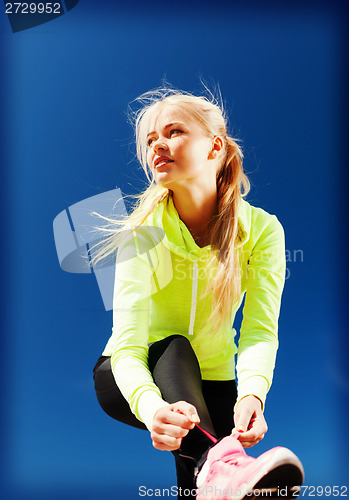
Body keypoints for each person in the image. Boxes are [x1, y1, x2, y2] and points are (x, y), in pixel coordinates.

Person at [92, 85, 303, 499]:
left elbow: (261, 330)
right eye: (151, 140)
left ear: (215, 146)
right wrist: (154, 412)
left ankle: (218, 471)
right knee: (174, 345)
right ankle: (218, 464)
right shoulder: (143, 234)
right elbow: (130, 349)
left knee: (214, 487)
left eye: (173, 132)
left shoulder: (263, 231)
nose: (158, 145)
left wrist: (253, 394)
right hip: (133, 372)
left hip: (215, 385)